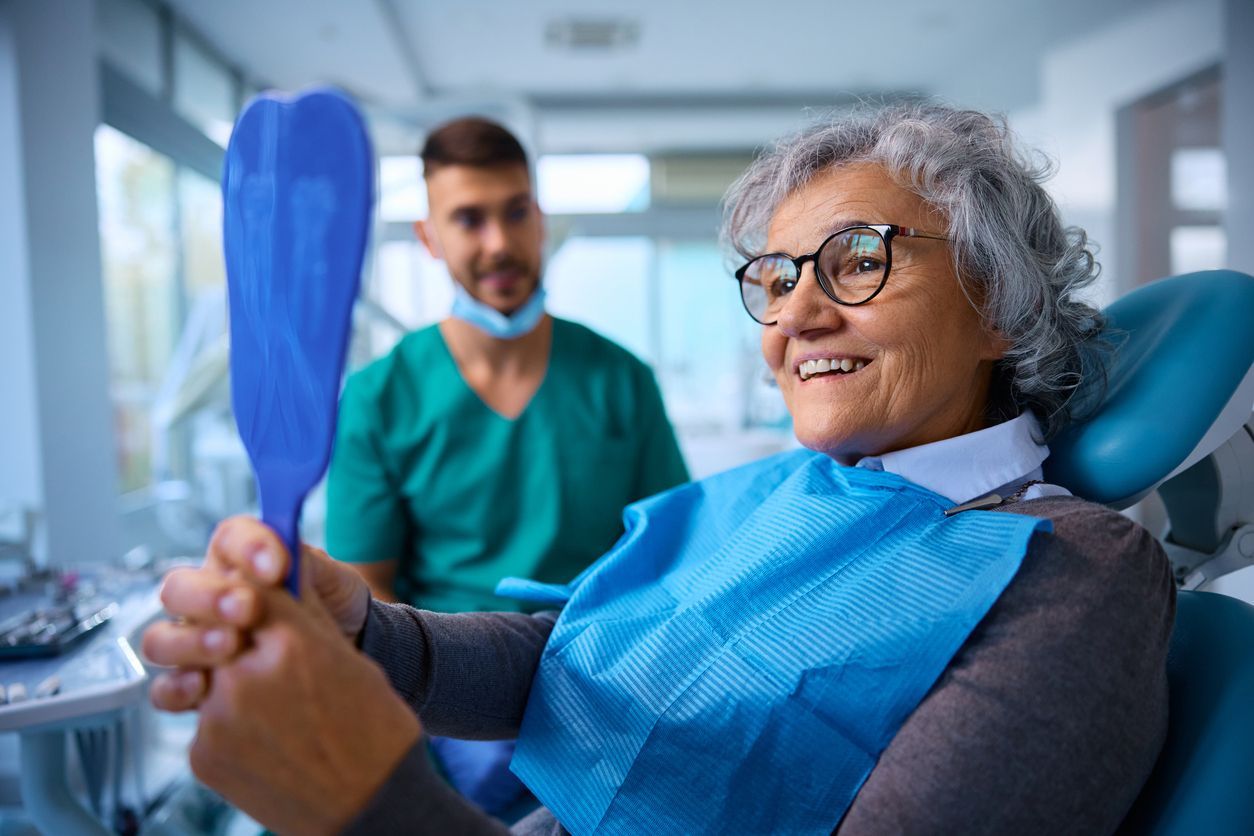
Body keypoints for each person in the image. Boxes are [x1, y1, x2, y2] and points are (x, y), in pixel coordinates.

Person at [143, 104, 1174, 835]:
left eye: (858, 259)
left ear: (997, 300)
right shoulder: (790, 488)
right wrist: (365, 629)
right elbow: (583, 647)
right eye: (773, 278)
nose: (795, 315)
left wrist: (370, 802)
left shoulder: (1078, 577)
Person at [324, 116, 688, 814]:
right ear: (430, 238)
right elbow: (366, 607)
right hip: (444, 689)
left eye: (515, 212)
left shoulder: (620, 381)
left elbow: (669, 564)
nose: (499, 243)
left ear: (539, 218)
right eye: (469, 219)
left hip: (599, 678)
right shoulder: (378, 400)